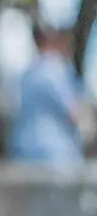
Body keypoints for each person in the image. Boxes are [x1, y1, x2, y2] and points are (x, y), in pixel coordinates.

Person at [8, 22, 94, 171]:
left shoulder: (27, 72)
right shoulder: (54, 68)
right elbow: (75, 111)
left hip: (24, 153)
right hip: (55, 159)